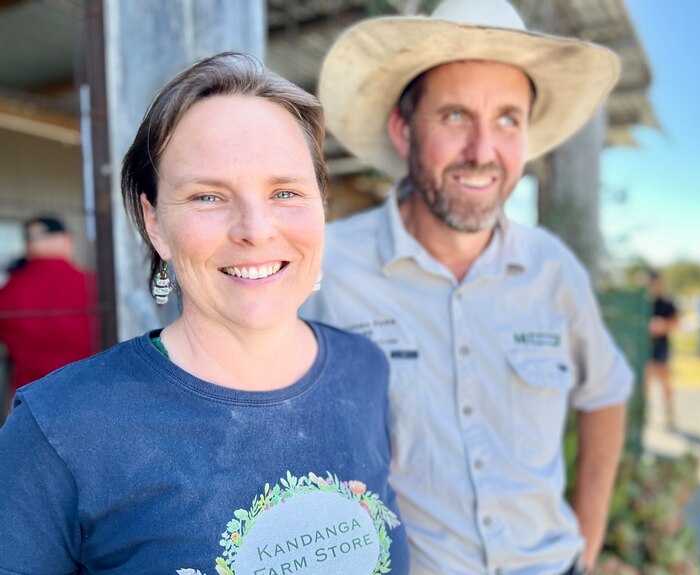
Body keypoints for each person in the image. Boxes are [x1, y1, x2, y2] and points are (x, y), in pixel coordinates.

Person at [0, 52, 408, 575]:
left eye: (285, 191)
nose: (256, 229)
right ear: (155, 224)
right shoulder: (60, 429)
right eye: (208, 196)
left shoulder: (365, 369)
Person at [300, 1, 633, 573]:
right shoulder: (327, 269)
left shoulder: (553, 271)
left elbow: (605, 392)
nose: (483, 151)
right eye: (455, 116)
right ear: (404, 130)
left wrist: (587, 539)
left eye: (508, 119)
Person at [0, 216, 98, 401]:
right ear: (67, 240)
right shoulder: (93, 285)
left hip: (31, 396)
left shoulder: (11, 290)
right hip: (88, 390)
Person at [645, 270, 678, 428]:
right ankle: (643, 414)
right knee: (645, 382)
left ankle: (669, 413)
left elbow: (675, 323)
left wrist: (662, 325)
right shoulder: (643, 302)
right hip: (645, 346)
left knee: (664, 379)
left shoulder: (667, 303)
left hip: (661, 345)